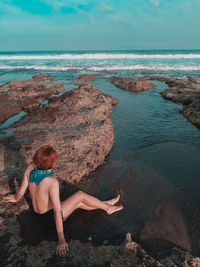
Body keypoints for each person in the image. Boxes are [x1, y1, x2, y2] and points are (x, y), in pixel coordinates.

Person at [4, 145, 123, 256]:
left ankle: (104, 204)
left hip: (38, 215)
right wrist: (61, 239)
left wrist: (15, 198)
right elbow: (57, 211)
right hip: (51, 218)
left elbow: (20, 194)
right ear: (53, 164)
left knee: (79, 203)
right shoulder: (52, 182)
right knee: (80, 195)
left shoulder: (30, 168)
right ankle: (108, 208)